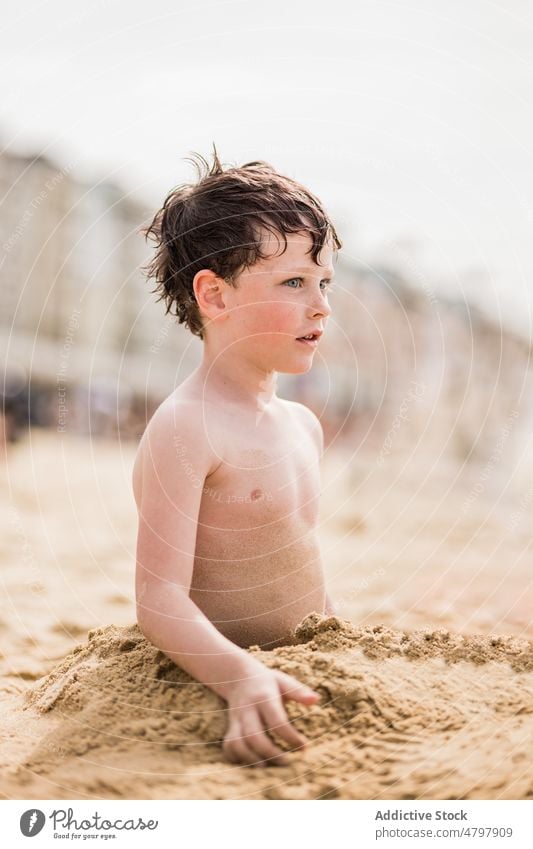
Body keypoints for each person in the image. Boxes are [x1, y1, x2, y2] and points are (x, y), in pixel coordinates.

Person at [133, 145, 342, 767]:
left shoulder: (302, 425)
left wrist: (339, 639)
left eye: (324, 281)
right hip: (214, 673)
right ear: (215, 297)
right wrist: (237, 676)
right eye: (294, 282)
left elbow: (304, 569)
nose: (321, 303)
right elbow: (158, 600)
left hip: (297, 665)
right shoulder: (185, 427)